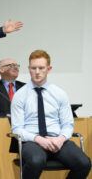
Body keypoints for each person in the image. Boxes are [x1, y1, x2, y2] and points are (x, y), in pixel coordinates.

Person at [11, 50, 91, 179]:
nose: (37, 72)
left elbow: (68, 124)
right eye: (33, 68)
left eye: (41, 68)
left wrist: (61, 138)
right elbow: (17, 129)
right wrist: (38, 139)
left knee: (84, 163)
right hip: (32, 141)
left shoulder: (59, 94)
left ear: (49, 69)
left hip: (57, 140)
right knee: (36, 161)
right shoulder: (19, 95)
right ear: (29, 69)